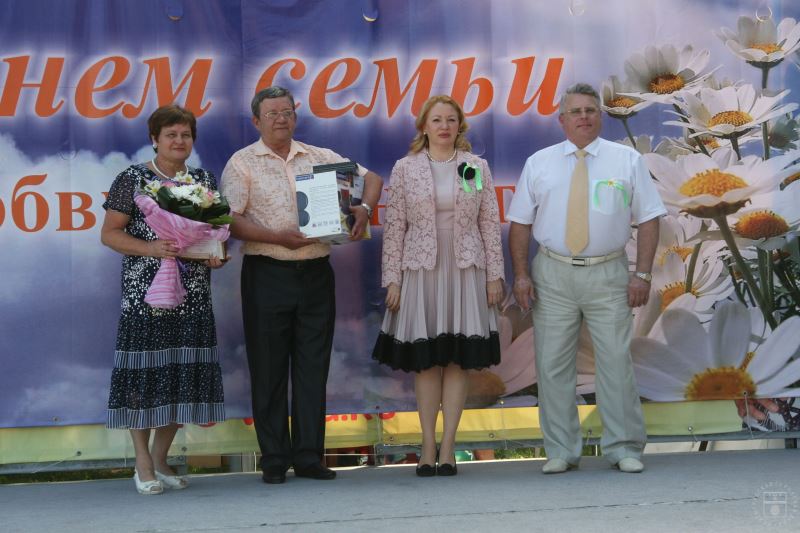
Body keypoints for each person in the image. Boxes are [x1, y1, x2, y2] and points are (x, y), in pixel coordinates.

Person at [221, 86, 383, 484]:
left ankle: (310, 456)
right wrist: (277, 237)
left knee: (313, 366)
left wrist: (364, 208)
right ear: (256, 121)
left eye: (287, 112)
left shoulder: (320, 156)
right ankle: (275, 458)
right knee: (268, 367)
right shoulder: (242, 162)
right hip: (266, 272)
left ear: (295, 118)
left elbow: (373, 179)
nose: (281, 119)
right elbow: (230, 220)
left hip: (315, 272)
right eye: (272, 113)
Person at [507, 83, 666, 474]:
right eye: (575, 111)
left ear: (601, 117)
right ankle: (561, 450)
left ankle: (624, 447)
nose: (583, 117)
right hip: (553, 274)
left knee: (615, 361)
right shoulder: (539, 163)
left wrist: (643, 274)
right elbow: (520, 223)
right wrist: (522, 275)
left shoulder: (626, 160)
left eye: (590, 110)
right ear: (561, 120)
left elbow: (649, 218)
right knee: (552, 364)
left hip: (609, 273)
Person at [372, 95, 505, 477]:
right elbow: (394, 227)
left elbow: (488, 223)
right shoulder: (405, 168)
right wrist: (392, 280)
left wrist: (494, 275)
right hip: (421, 269)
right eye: (436, 120)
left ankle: (449, 448)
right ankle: (427, 446)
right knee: (427, 361)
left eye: (450, 119)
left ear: (459, 125)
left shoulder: (474, 166)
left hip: (465, 269)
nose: (444, 126)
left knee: (458, 360)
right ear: (424, 127)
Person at [101, 104, 226, 495]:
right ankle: (141, 461)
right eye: (171, 134)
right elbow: (110, 234)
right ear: (154, 139)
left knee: (180, 376)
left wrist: (216, 255)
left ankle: (160, 457)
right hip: (146, 297)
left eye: (185, 135)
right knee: (144, 378)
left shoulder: (202, 180)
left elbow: (216, 233)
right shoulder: (132, 178)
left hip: (193, 295)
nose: (179, 141)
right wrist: (151, 248)